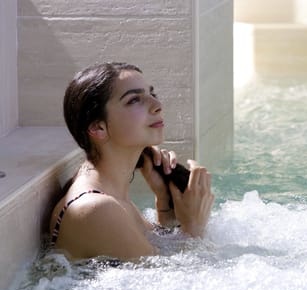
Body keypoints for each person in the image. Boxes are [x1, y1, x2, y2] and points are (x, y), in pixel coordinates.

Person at [49, 62, 214, 260]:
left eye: (152, 94)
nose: (157, 106)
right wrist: (194, 227)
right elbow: (175, 283)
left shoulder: (111, 194)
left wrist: (165, 204)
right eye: (134, 100)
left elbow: (154, 258)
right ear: (98, 128)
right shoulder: (97, 209)